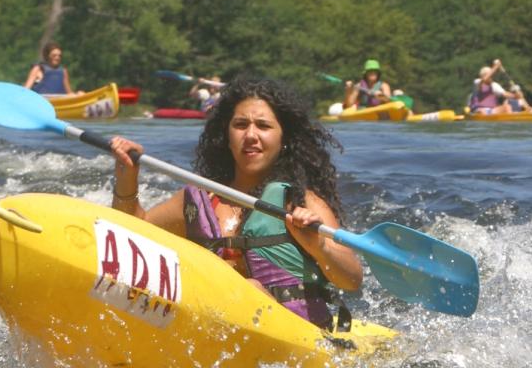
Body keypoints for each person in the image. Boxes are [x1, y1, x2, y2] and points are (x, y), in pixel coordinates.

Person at [108, 76, 361, 329]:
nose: (250, 135)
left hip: (294, 335)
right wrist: (127, 177)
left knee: (249, 289)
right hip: (215, 331)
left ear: (284, 139)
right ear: (226, 135)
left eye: (263, 126)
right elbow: (131, 234)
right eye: (240, 125)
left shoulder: (299, 201)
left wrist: (319, 247)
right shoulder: (199, 200)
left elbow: (351, 279)